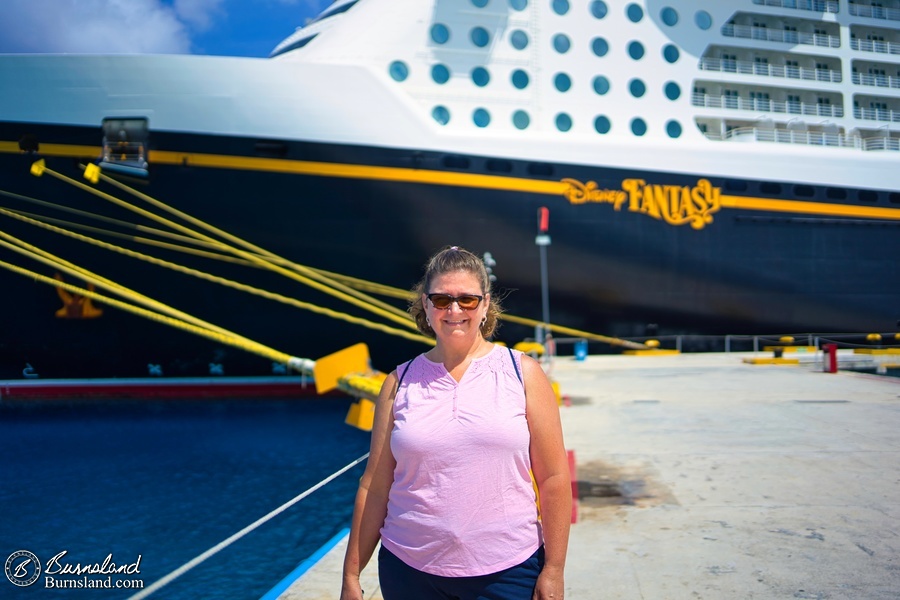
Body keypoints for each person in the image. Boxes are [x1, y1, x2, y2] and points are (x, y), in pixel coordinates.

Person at [341, 245, 571, 600]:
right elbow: (374, 485)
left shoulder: (522, 373)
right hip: (409, 572)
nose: (454, 310)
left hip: (507, 572)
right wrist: (352, 576)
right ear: (425, 304)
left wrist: (554, 570)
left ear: (485, 305)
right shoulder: (398, 383)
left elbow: (554, 479)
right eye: (441, 299)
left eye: (467, 300)